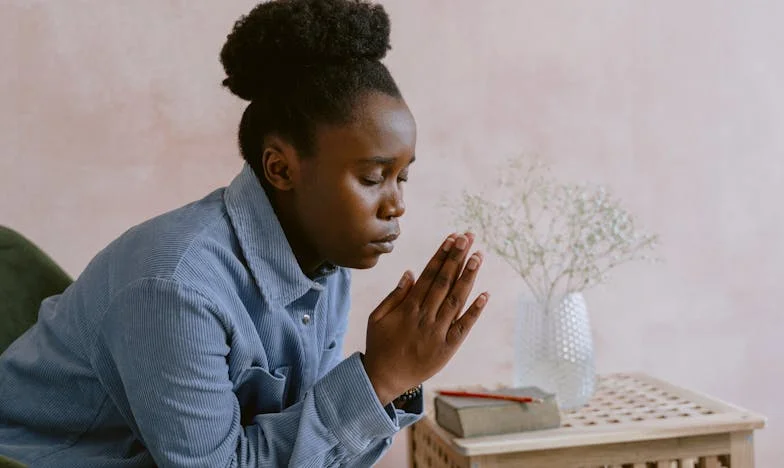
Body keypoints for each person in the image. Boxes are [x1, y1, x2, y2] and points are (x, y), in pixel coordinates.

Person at [0, 0, 489, 466]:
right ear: (280, 168)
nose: (397, 203)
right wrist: (379, 380)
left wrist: (388, 377)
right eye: (371, 177)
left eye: (402, 176)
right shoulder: (175, 286)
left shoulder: (326, 263)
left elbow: (305, 447)